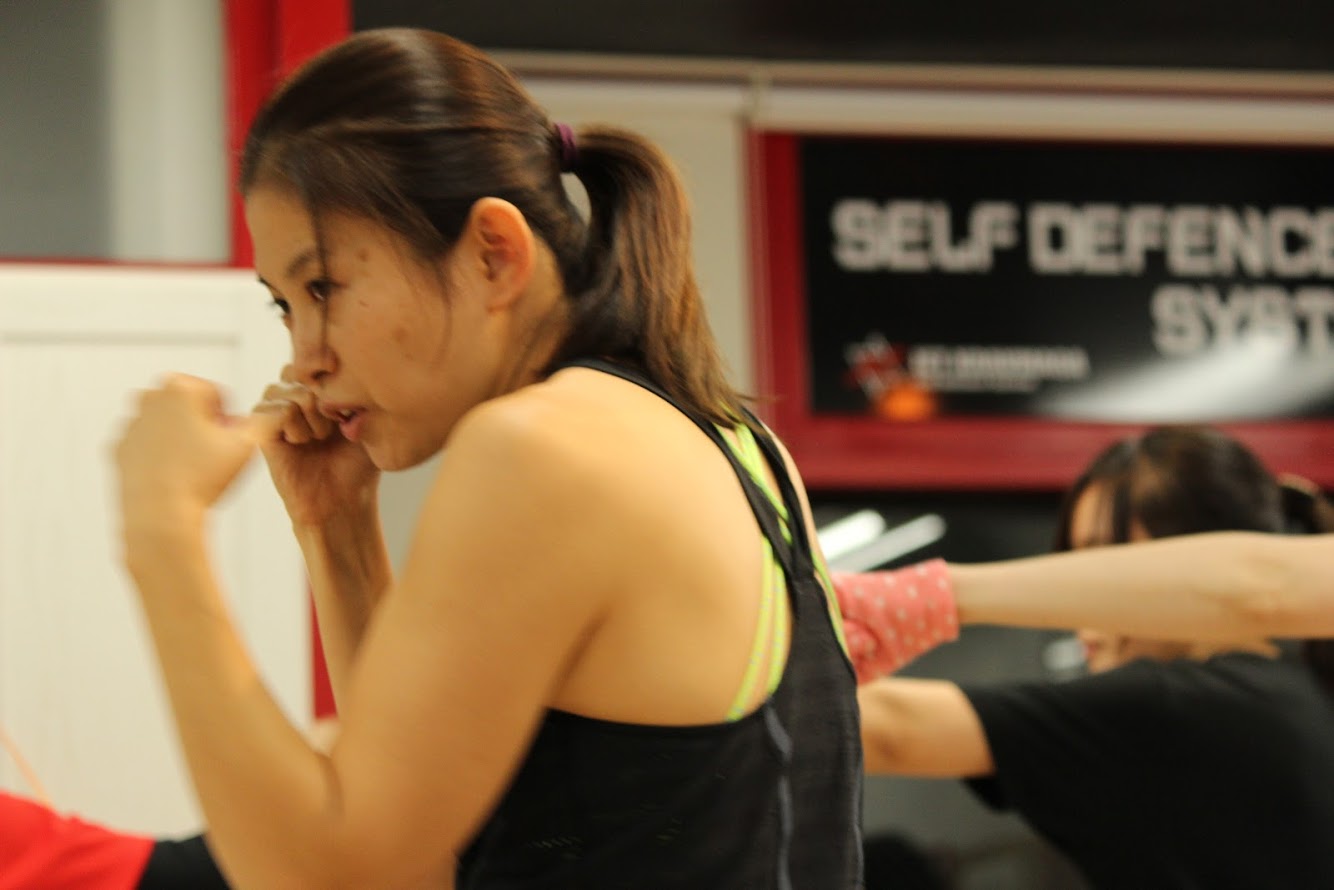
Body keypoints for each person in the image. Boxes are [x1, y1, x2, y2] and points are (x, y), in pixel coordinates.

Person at [112, 27, 861, 890]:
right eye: (285, 306)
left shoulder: (539, 449)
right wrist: (338, 531)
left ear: (493, 254)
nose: (305, 355)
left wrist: (160, 532)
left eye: (324, 287)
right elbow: (418, 851)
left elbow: (331, 876)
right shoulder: (738, 442)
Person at [855, 426, 1334, 889]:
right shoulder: (1299, 690)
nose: (1072, 598)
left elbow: (891, 731)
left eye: (1100, 562)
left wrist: (911, 602)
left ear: (1200, 560)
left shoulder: (1179, 706)